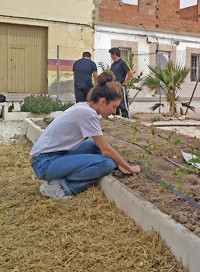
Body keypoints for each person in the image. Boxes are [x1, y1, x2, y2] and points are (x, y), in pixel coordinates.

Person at [30, 71, 141, 200]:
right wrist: (129, 168)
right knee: (107, 164)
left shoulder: (84, 107)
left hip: (49, 157)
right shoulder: (88, 114)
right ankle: (59, 187)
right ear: (103, 101)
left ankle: (60, 178)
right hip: (46, 164)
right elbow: (106, 150)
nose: (114, 111)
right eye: (114, 107)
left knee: (96, 146)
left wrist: (119, 162)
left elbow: (102, 146)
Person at [109, 47, 134, 118]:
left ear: (114, 54)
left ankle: (126, 117)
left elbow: (130, 73)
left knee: (123, 103)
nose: (111, 56)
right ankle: (116, 118)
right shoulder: (113, 65)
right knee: (115, 103)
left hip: (120, 86)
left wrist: (125, 82)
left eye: (111, 54)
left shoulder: (122, 63)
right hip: (114, 86)